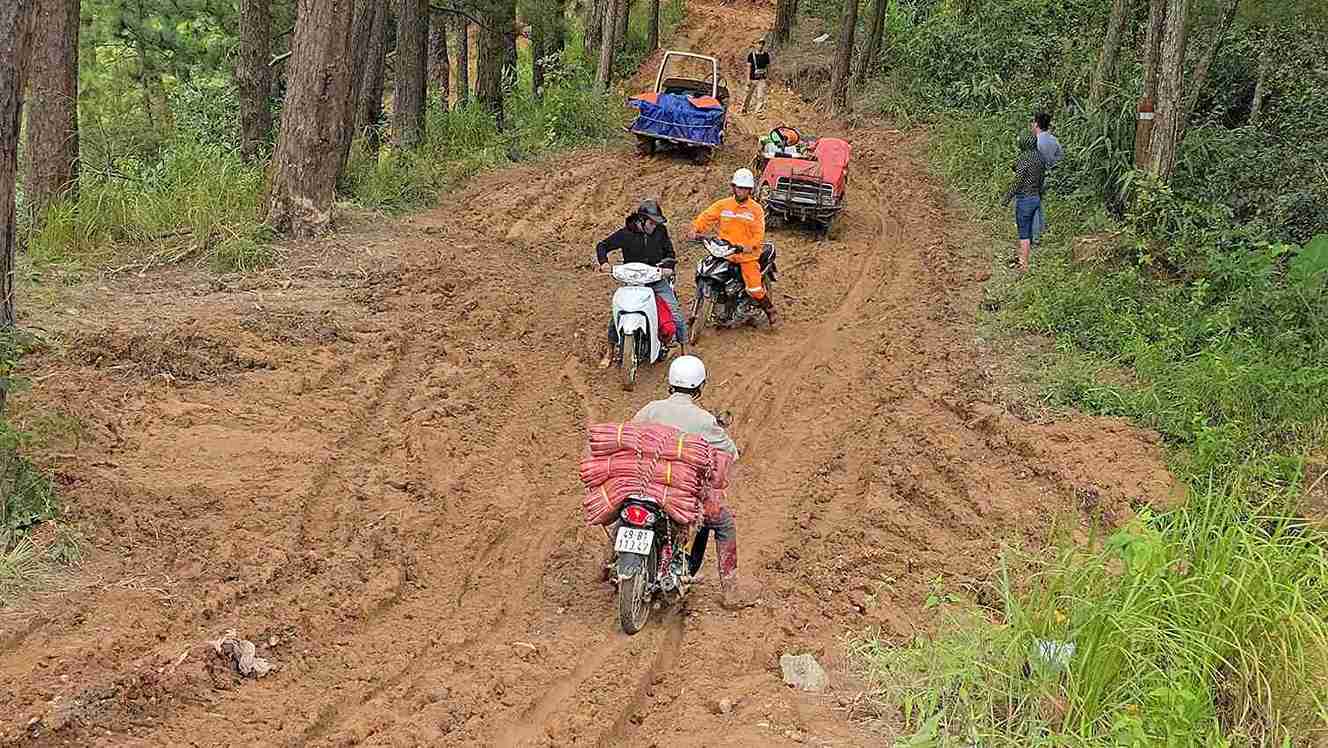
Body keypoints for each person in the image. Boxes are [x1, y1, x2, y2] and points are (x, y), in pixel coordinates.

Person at [631, 355, 758, 609]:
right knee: (724, 524)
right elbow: (731, 453)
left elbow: (629, 435)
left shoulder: (651, 409)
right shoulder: (703, 420)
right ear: (699, 386)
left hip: (644, 486)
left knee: (625, 508)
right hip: (680, 494)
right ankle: (731, 592)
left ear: (670, 382)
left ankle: (605, 565)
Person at [596, 199, 687, 368]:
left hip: (656, 279)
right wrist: (604, 263)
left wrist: (668, 267)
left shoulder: (660, 231)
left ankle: (684, 350)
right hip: (633, 283)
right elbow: (603, 245)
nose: (654, 226)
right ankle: (610, 351)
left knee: (675, 313)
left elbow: (670, 253)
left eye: (656, 223)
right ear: (641, 220)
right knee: (618, 313)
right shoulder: (625, 234)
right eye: (651, 222)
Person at [687, 168, 779, 327]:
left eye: (744, 188)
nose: (741, 190)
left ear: (750, 190)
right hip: (724, 251)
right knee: (705, 270)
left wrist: (748, 246)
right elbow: (706, 217)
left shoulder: (756, 209)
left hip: (746, 255)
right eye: (738, 187)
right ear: (733, 187)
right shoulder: (723, 205)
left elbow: (759, 233)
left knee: (754, 288)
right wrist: (695, 229)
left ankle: (770, 310)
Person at [1005, 135, 1046, 273]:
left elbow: (1018, 182)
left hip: (1025, 199)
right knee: (1030, 231)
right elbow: (1041, 181)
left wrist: (1007, 198)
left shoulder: (1024, 159)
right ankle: (1023, 258)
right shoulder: (1040, 158)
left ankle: (1024, 265)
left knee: (1024, 234)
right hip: (1036, 198)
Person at [1030, 112, 1063, 246]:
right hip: (1047, 176)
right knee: (1038, 203)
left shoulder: (1034, 141)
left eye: (1033, 122)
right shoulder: (1053, 139)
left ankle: (1035, 237)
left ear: (1036, 124)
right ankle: (1040, 231)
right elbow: (1060, 156)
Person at [743, 38, 771, 115]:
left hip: (762, 79)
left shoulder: (766, 55)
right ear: (755, 45)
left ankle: (758, 111)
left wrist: (768, 78)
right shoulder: (751, 55)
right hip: (752, 79)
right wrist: (748, 79)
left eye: (762, 44)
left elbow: (768, 67)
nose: (761, 46)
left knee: (760, 96)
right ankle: (744, 109)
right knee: (748, 95)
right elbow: (748, 67)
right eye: (759, 44)